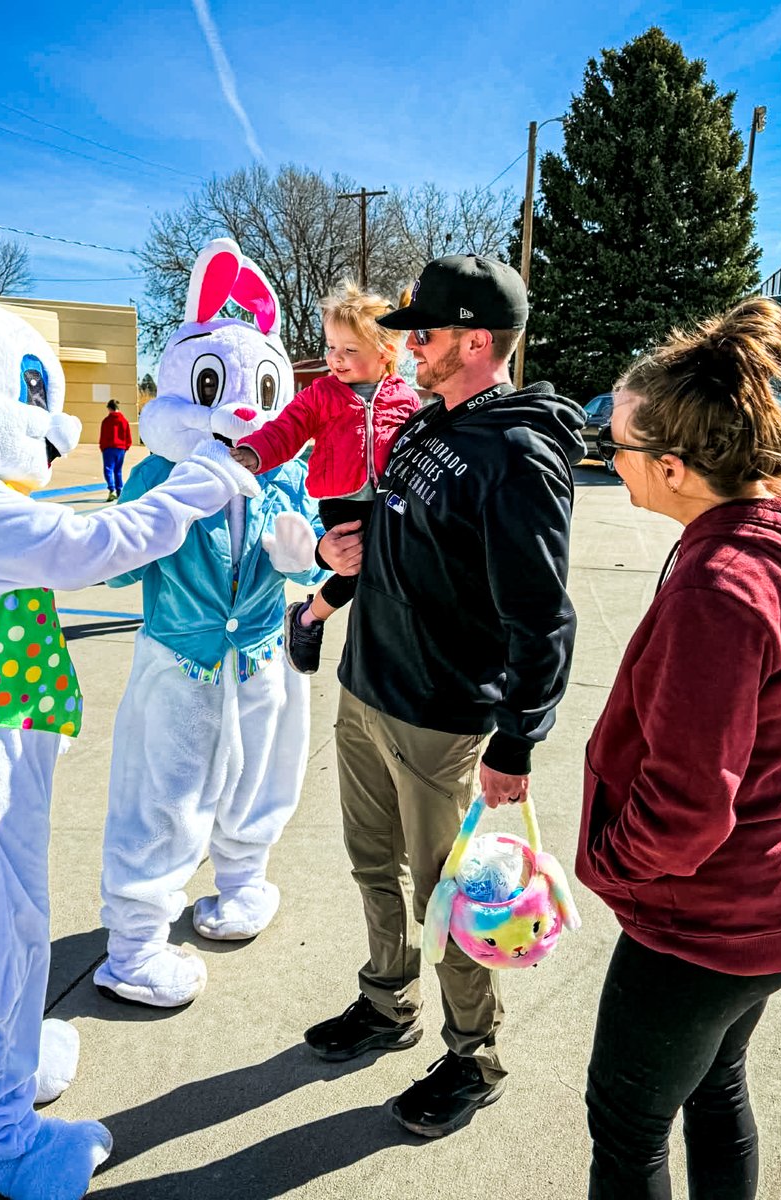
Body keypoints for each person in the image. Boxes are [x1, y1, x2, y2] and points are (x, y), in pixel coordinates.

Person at [303, 254, 585, 1137]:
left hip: (440, 719)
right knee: (370, 867)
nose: (406, 345)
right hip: (367, 689)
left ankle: (474, 1057)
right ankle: (387, 1002)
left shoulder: (516, 453)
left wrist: (516, 741)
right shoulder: (429, 425)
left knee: (452, 899)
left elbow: (541, 615)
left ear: (474, 339)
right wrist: (332, 546)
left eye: (420, 332)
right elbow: (390, 520)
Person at [576, 295, 781, 1198]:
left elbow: (687, 808)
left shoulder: (722, 587)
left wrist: (610, 867)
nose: (606, 463)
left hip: (705, 924)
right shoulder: (779, 550)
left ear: (673, 466)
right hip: (777, 901)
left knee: (626, 1125)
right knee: (715, 1087)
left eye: (615, 448)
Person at [230, 282, 419, 673]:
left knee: (387, 569)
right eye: (331, 347)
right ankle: (307, 619)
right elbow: (287, 429)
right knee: (356, 567)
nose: (336, 358)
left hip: (387, 500)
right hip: (341, 501)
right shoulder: (322, 394)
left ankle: (369, 639)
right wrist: (255, 451)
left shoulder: (405, 396)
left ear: (385, 353)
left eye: (350, 350)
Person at [100, 398, 132, 500]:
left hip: (109, 448)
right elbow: (128, 436)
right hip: (121, 448)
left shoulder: (106, 421)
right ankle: (119, 490)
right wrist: (126, 446)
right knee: (118, 470)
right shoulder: (124, 421)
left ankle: (112, 489)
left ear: (109, 408)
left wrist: (102, 447)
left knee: (108, 469)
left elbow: (103, 436)